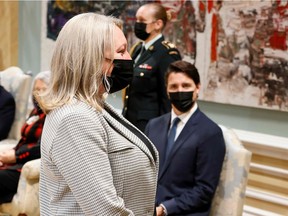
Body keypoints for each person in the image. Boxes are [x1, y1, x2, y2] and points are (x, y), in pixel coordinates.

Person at [39, 13, 158, 215]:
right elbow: (105, 211)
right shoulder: (75, 118)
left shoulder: (92, 106)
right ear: (91, 60)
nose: (129, 59)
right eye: (121, 52)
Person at [145, 60, 226, 216]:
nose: (180, 90)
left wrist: (164, 209)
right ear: (167, 91)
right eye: (174, 87)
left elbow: (204, 191)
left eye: (186, 86)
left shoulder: (210, 133)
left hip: (183, 212)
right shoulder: (153, 126)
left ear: (197, 88)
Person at [123, 2, 181, 132]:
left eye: (142, 20)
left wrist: (163, 131)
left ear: (158, 24)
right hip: (131, 122)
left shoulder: (167, 53)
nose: (137, 24)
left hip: (150, 127)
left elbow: (168, 98)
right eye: (137, 19)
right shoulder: (138, 49)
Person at [0, 70, 50, 204]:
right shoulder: (35, 112)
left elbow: (41, 147)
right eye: (36, 89)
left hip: (26, 165)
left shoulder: (52, 115)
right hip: (15, 163)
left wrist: (16, 156)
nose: (38, 94)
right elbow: (23, 141)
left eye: (43, 89)